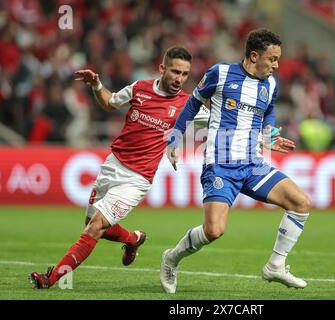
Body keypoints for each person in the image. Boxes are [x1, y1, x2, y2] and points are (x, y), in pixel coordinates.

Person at [29, 46, 209, 289]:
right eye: (175, 71)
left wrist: (261, 136)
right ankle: (134, 239)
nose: (179, 79)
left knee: (94, 228)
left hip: (136, 179)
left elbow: (221, 120)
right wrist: (96, 85)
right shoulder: (139, 88)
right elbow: (110, 102)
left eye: (185, 74)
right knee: (92, 224)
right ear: (162, 68)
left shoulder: (187, 103)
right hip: (112, 165)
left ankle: (50, 279)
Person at [160, 29, 313, 294]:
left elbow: (269, 111)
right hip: (221, 165)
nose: (276, 65)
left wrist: (268, 135)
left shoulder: (271, 84)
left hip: (253, 165)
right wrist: (174, 140)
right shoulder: (220, 74)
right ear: (254, 56)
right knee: (214, 231)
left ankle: (276, 265)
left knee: (301, 203)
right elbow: (193, 104)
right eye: (272, 59)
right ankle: (171, 258)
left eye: (278, 59)